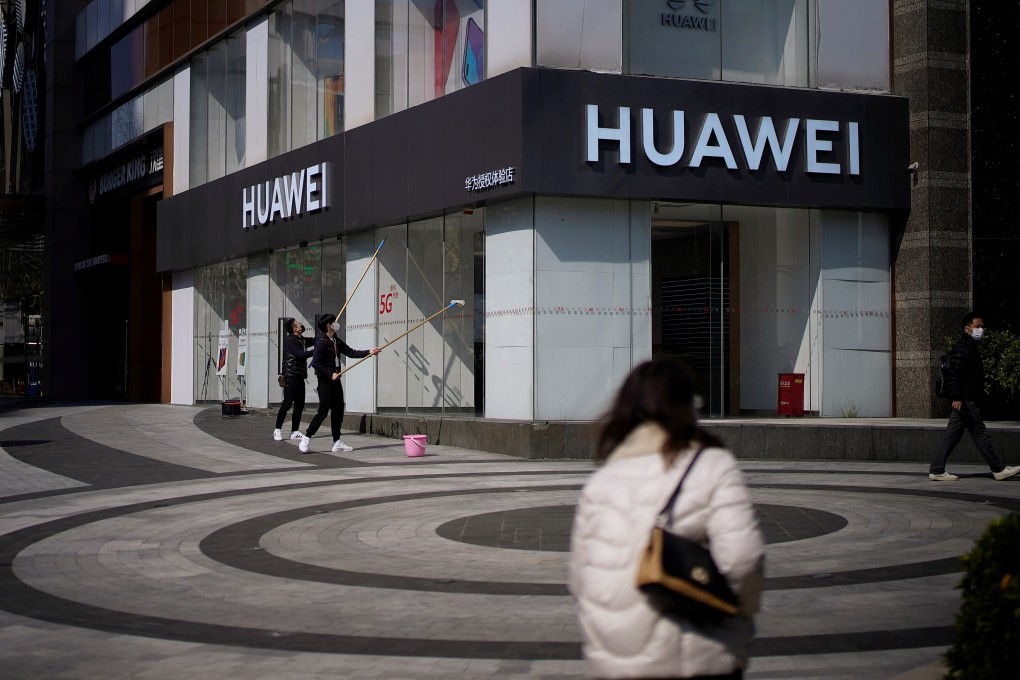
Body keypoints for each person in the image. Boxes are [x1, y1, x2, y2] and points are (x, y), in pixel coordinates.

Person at [569, 359, 764, 679]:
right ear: (688, 406)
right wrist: (738, 616)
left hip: (614, 664)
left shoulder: (600, 482)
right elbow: (743, 559)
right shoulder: (712, 466)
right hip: (698, 656)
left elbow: (580, 579)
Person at [929, 313, 1019, 481]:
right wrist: (957, 397)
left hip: (965, 399)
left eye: (982, 327)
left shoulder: (969, 346)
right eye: (977, 327)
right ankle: (998, 468)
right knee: (980, 433)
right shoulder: (964, 348)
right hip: (966, 400)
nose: (981, 330)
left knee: (953, 435)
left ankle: (937, 469)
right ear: (967, 329)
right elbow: (956, 373)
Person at [298, 313, 381, 454]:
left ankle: (337, 442)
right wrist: (330, 374)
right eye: (333, 322)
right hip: (325, 382)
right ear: (328, 326)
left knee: (338, 412)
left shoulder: (335, 340)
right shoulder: (321, 342)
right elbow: (315, 363)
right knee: (323, 412)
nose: (336, 324)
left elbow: (351, 352)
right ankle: (306, 438)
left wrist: (369, 352)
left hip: (336, 381)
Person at [273, 318, 315, 441]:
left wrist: (324, 336)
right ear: (295, 328)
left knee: (299, 405)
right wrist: (316, 351)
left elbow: (314, 340)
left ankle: (294, 431)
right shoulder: (290, 340)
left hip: (300, 377)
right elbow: (300, 354)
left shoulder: (301, 340)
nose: (301, 325)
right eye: (299, 324)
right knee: (287, 404)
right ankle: (277, 429)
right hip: (290, 376)